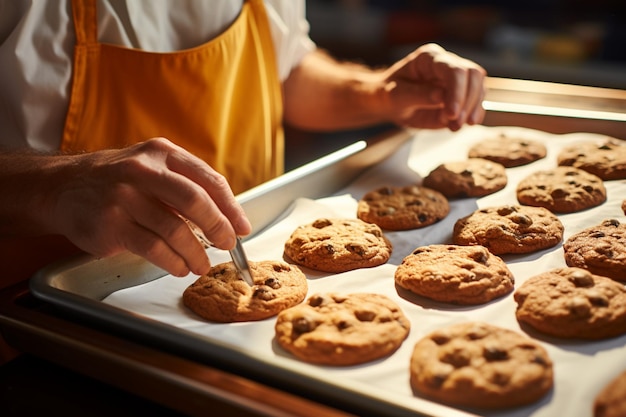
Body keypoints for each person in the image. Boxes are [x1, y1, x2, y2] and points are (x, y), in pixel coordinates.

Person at [0, 0, 486, 290]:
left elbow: (288, 69)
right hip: (41, 294)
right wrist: (53, 186)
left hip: (257, 240)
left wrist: (377, 93)